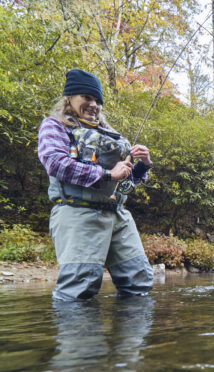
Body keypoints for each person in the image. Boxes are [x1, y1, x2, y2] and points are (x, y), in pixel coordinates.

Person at [38, 69, 154, 300]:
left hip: (118, 216)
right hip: (77, 212)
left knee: (138, 281)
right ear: (69, 99)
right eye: (87, 98)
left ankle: (132, 336)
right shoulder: (55, 126)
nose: (94, 105)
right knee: (80, 286)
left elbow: (127, 182)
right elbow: (55, 163)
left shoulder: (112, 136)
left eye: (98, 101)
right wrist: (108, 174)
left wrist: (143, 165)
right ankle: (82, 336)